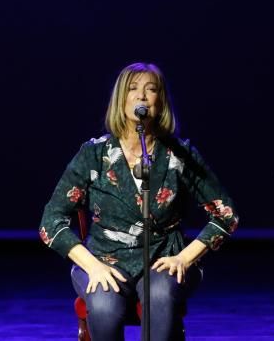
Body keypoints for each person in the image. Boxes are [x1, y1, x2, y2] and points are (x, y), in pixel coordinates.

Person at [40, 62, 238, 341]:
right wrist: (92, 265)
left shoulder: (180, 154)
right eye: (132, 89)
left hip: (163, 260)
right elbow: (51, 222)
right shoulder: (93, 154)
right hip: (103, 260)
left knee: (159, 293)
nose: (141, 96)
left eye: (151, 89)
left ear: (161, 102)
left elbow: (226, 215)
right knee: (104, 305)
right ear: (121, 99)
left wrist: (184, 258)